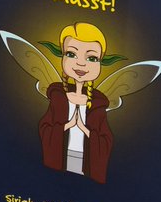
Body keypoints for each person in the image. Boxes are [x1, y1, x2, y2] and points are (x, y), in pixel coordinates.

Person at [38, 22, 115, 183]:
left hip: (86, 164)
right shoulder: (58, 98)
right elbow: (44, 128)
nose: (81, 63)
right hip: (60, 160)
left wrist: (85, 130)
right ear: (63, 57)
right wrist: (66, 126)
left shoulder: (98, 105)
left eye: (91, 58)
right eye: (71, 54)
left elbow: (106, 140)